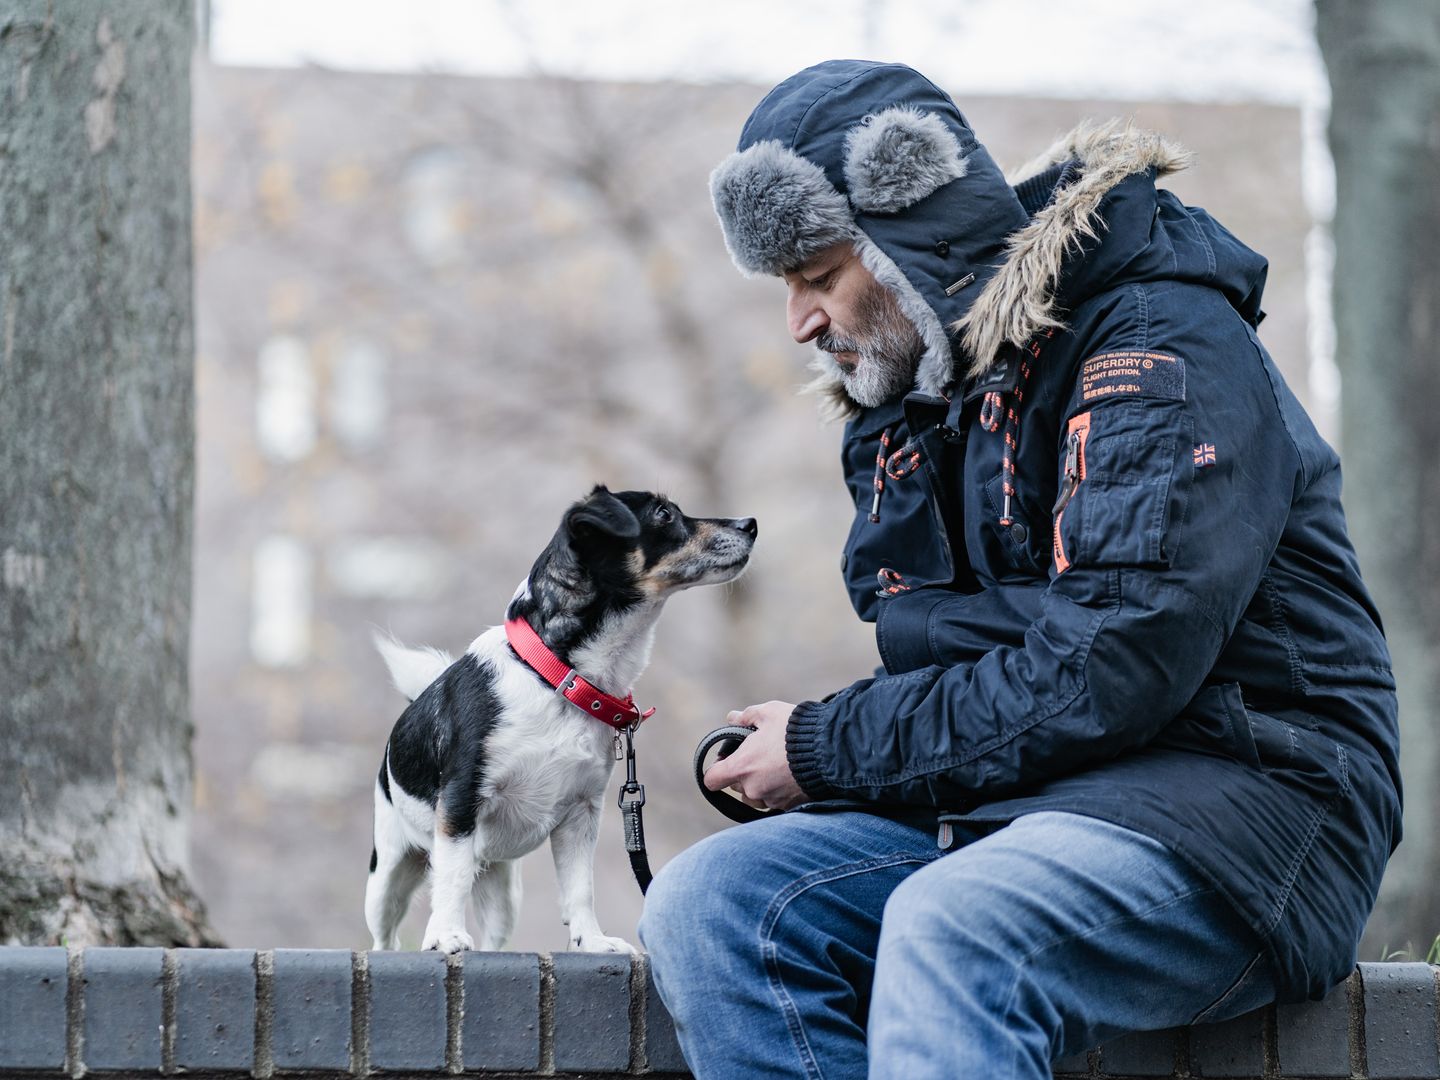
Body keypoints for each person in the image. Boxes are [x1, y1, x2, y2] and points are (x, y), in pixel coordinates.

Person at [636, 60, 1401, 1080]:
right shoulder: (923, 409)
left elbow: (1109, 664)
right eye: (787, 288)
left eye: (819, 277)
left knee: (957, 929)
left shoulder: (1154, 344)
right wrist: (812, 744)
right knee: (716, 905)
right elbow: (977, 665)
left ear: (910, 239)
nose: (800, 324)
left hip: (1251, 806)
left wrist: (824, 747)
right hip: (1039, 804)